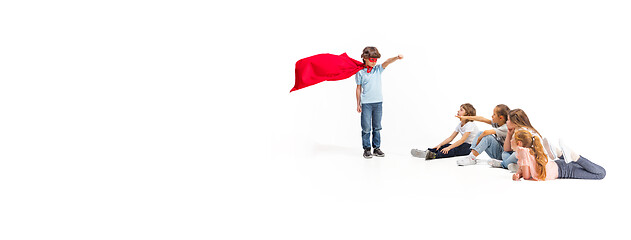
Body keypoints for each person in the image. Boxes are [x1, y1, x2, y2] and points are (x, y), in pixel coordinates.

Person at [356, 46, 403, 159]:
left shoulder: (378, 70)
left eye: (375, 60)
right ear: (365, 59)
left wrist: (396, 57)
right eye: (372, 59)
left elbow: (387, 62)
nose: (374, 62)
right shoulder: (360, 73)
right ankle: (367, 149)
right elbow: (358, 88)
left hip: (378, 103)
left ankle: (376, 148)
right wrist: (358, 103)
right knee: (366, 128)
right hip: (366, 104)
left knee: (377, 127)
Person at [512, 130, 606, 181]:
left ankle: (574, 157)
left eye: (512, 139)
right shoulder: (528, 151)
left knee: (601, 174)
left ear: (519, 143)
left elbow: (526, 176)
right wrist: (518, 175)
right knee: (600, 172)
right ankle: (560, 154)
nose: (510, 141)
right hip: (560, 166)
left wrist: (521, 175)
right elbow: (525, 171)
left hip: (564, 170)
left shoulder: (523, 152)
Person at [411, 103, 480, 160]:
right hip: (465, 145)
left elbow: (462, 140)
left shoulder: (470, 125)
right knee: (445, 146)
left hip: (471, 148)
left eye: (461, 110)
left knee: (453, 149)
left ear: (467, 115)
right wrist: (440, 145)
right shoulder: (460, 125)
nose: (458, 111)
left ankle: (434, 155)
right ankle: (428, 152)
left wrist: (449, 148)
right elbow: (450, 138)